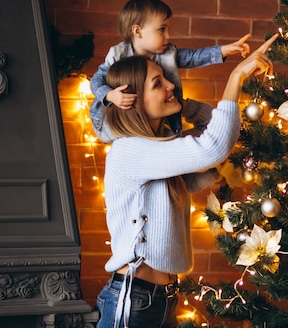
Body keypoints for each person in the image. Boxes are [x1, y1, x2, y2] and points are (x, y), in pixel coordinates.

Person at [95, 33, 278, 328]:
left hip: (160, 297)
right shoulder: (129, 150)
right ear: (133, 100)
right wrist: (236, 76)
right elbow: (214, 146)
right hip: (135, 300)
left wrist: (182, 103)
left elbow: (211, 129)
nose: (170, 84)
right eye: (158, 83)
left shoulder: (160, 147)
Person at [89, 0, 251, 142]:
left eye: (168, 29)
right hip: (113, 120)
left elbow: (193, 57)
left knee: (170, 139)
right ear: (137, 31)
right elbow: (97, 80)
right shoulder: (118, 54)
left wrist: (223, 50)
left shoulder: (167, 53)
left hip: (154, 122)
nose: (168, 36)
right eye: (161, 29)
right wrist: (110, 95)